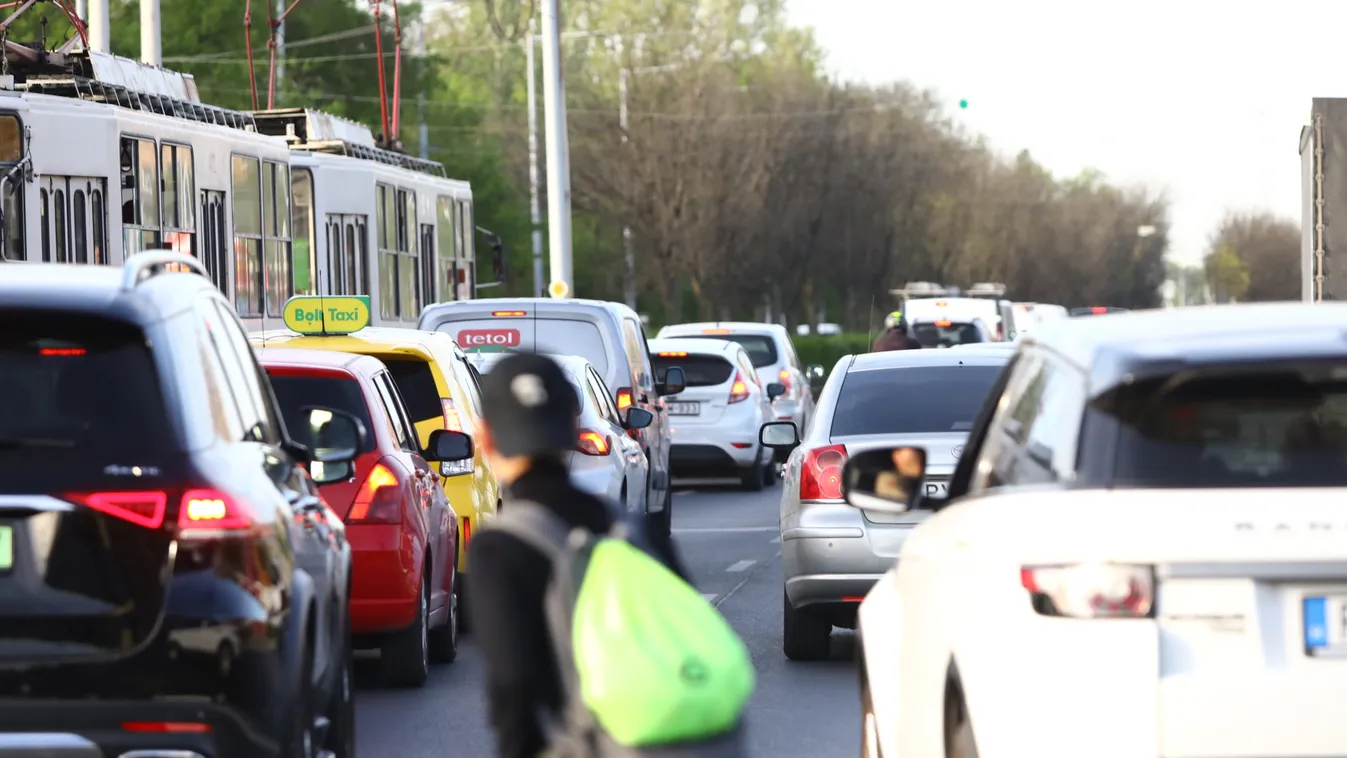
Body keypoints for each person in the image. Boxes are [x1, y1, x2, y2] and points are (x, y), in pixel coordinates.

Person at [465, 353, 688, 758]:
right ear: (571, 425)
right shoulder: (635, 527)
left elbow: (512, 684)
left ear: (486, 437)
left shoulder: (497, 549)